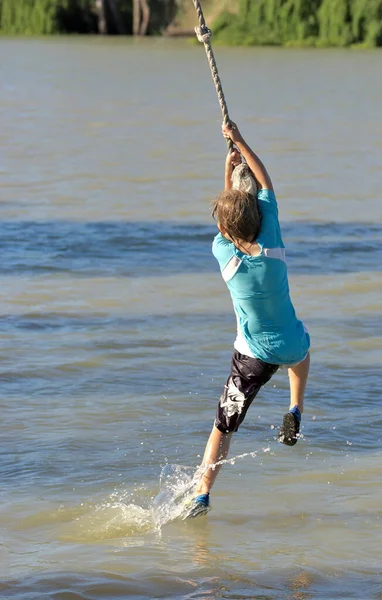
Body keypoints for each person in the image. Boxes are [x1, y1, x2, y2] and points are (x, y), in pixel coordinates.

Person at [188, 121, 311, 517]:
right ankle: (295, 408)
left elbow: (224, 220)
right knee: (301, 350)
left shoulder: (224, 256)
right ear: (261, 213)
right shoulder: (273, 240)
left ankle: (202, 494)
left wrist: (227, 167)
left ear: (223, 227)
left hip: (252, 357)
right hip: (291, 342)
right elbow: (266, 182)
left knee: (223, 427)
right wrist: (240, 141)